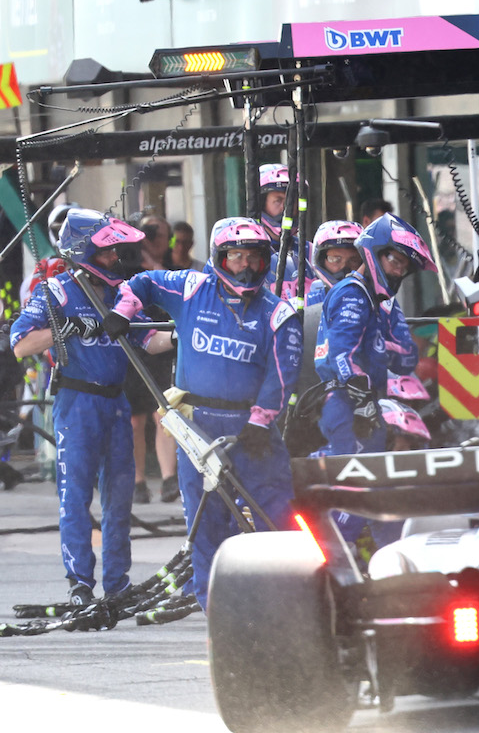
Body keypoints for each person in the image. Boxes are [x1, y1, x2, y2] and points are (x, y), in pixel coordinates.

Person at [103, 217, 302, 610]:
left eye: (254, 259)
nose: (245, 266)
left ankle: (284, 602)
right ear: (218, 258)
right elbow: (141, 282)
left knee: (275, 516)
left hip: (252, 430)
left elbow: (284, 373)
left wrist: (261, 422)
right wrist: (125, 311)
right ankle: (215, 606)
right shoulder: (192, 287)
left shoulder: (279, 312)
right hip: (197, 427)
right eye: (235, 257)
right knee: (205, 519)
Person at [9, 210, 169, 606]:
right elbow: (20, 345)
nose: (116, 258)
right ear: (84, 251)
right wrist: (64, 329)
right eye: (108, 252)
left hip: (116, 402)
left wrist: (185, 332)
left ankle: (117, 584)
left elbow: (149, 341)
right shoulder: (56, 291)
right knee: (75, 496)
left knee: (119, 498)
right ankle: (80, 583)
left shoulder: (122, 294)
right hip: (76, 402)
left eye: (117, 251)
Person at [314, 212, 432, 457]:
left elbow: (406, 358)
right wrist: (362, 401)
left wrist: (378, 346)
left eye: (404, 267)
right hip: (347, 401)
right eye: (395, 261)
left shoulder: (375, 298)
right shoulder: (353, 293)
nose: (399, 271)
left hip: (365, 401)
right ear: (374, 252)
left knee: (367, 472)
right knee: (350, 479)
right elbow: (343, 355)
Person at [124, 211, 179, 503]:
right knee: (135, 419)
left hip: (162, 347)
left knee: (164, 413)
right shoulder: (127, 263)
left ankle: (169, 478)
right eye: (152, 234)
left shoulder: (168, 266)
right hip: (134, 347)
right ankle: (138, 481)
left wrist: (153, 262)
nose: (159, 241)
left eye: (162, 236)